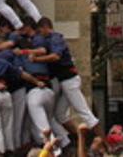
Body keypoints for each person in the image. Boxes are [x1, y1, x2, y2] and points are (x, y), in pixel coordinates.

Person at [33, 17, 99, 148]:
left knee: (84, 112)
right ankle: (81, 140)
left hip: (69, 80)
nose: (41, 34)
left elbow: (56, 56)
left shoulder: (55, 38)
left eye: (41, 31)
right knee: (60, 114)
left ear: (46, 27)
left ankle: (105, 145)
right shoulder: (49, 40)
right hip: (64, 82)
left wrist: (37, 59)